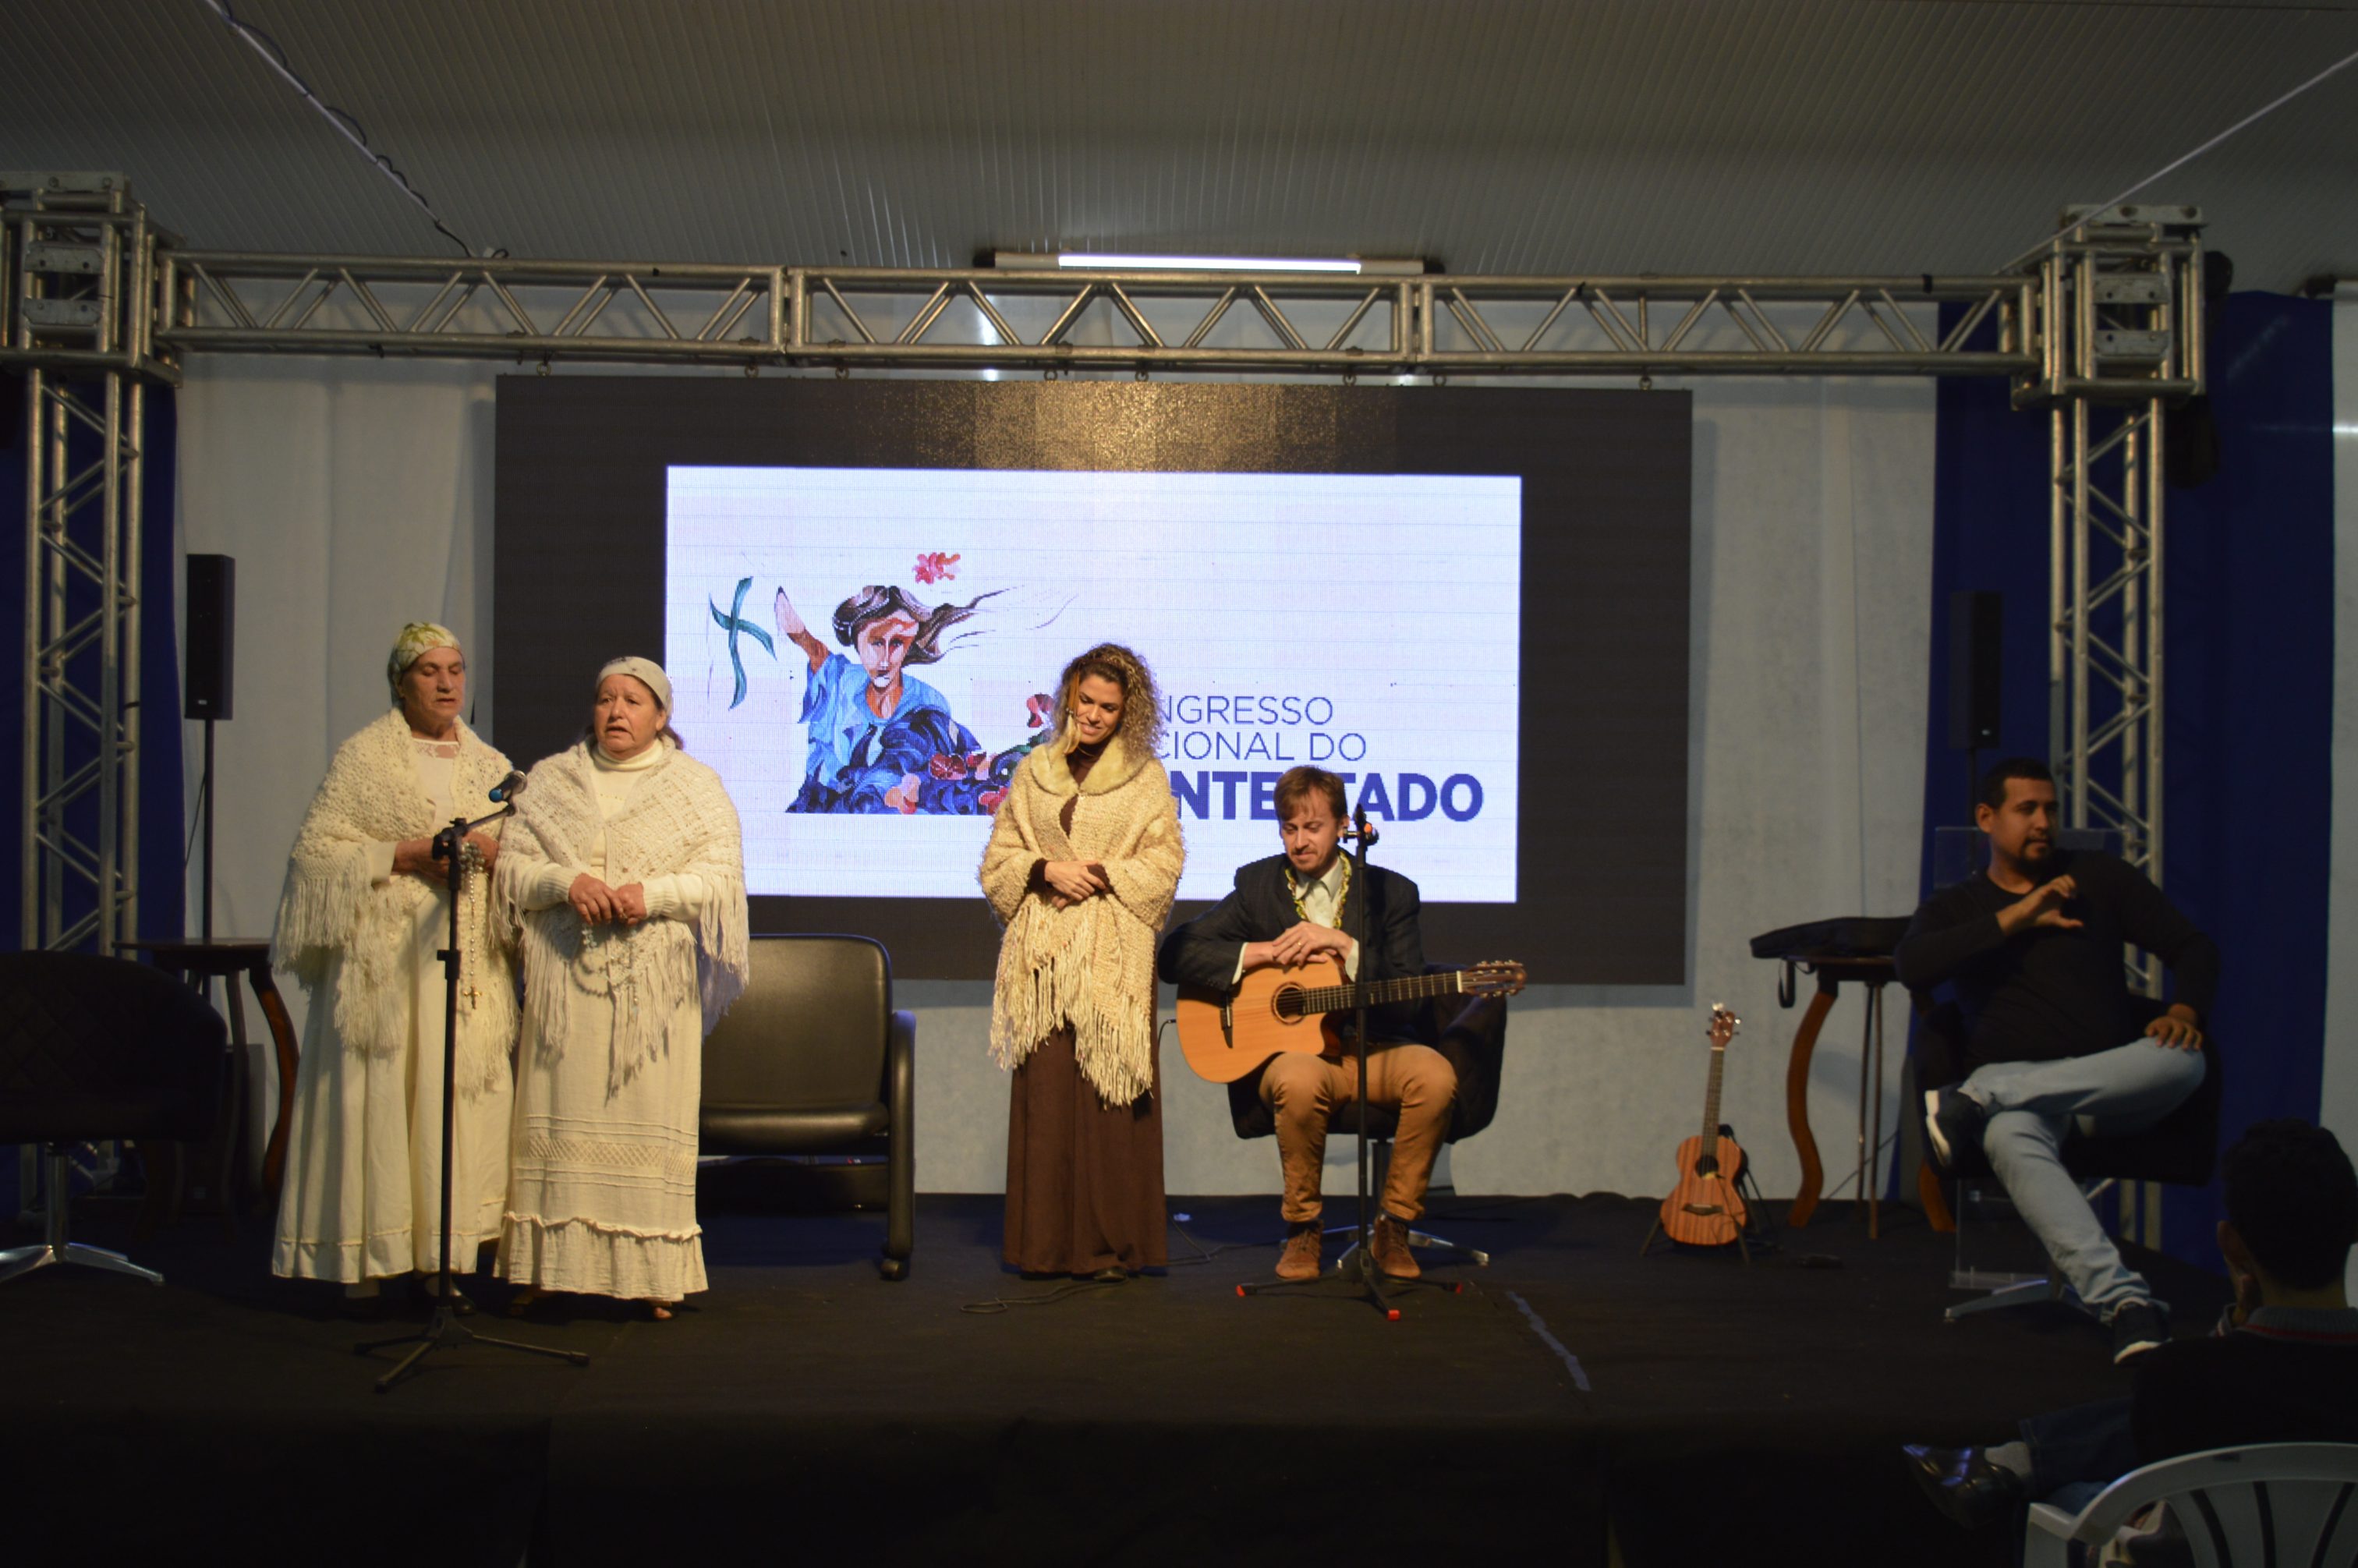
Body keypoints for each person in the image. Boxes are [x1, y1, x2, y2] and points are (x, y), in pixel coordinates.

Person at [1897, 757, 2218, 1361]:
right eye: (2027, 809)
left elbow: (2194, 947)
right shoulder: (1959, 905)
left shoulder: (2098, 877)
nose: (2043, 821)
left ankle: (1986, 1092)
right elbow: (1911, 965)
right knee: (2009, 1134)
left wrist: (2185, 1010)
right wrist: (2020, 915)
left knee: (2185, 1062)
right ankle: (2127, 1302)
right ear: (1986, 818)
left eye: (2050, 808)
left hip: (2111, 1090)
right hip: (2033, 1114)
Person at [1904, 1120, 2358, 1536]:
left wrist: (2240, 1323)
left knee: (2059, 1498)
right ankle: (2011, 1463)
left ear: (2231, 1244)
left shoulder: (2180, 1375)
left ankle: (2013, 1465)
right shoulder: (2193, 1376)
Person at [270, 621, 517, 1308]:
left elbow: (520, 853)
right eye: (430, 671)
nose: (446, 683)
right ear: (401, 682)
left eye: (455, 670)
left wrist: (488, 855)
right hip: (383, 968)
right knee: (379, 1095)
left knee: (448, 1098)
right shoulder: (364, 758)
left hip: (460, 964)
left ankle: (444, 1256)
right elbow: (314, 856)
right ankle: (372, 1254)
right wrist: (402, 855)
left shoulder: (491, 767)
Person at [494, 657, 749, 1318]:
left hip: (652, 989)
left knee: (646, 1123)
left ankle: (650, 1274)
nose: (616, 711)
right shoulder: (550, 780)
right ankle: (548, 1269)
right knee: (557, 1121)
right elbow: (513, 868)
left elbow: (719, 882)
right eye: (606, 698)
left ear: (661, 715)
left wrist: (649, 894)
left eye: (633, 700)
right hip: (565, 981)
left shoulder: (694, 787)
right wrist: (567, 883)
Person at [1157, 766, 1457, 1282]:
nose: (1299, 841)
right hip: (1303, 1058)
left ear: (1342, 826)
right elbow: (1175, 954)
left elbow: (1408, 999)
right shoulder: (1260, 886)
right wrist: (1262, 953)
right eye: (1289, 828)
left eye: (1313, 827)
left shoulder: (1391, 892)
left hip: (1376, 1047)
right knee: (1297, 1079)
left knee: (1436, 1078)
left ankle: (1395, 1225)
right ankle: (1303, 1227)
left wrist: (1345, 946)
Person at [979, 642, 1185, 1279]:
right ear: (1069, 696)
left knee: (1109, 1099)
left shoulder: (1145, 776)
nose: (1093, 715)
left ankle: (1109, 1248)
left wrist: (1094, 873)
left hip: (1112, 955)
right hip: (1043, 957)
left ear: (1128, 713)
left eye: (1108, 707)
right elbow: (999, 860)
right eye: (1085, 701)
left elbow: (1164, 863)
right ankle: (1043, 1248)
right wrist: (1046, 869)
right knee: (1047, 1097)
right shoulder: (1033, 770)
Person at [777, 582, 1000, 813]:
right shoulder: (841, 682)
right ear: (857, 642)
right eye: (876, 643)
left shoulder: (928, 704)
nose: (885, 660)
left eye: (896, 643)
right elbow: (814, 649)